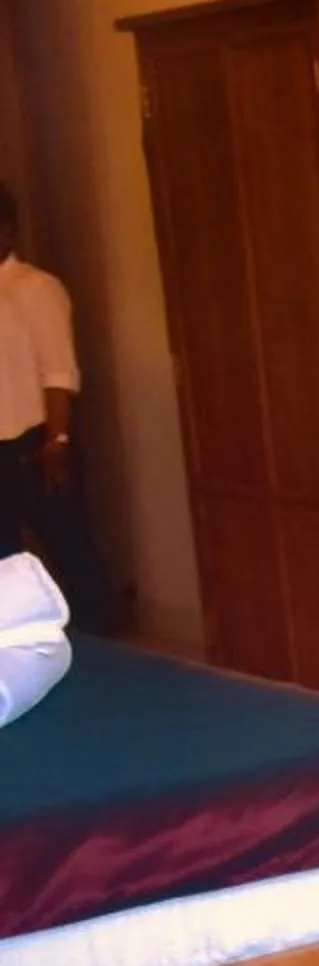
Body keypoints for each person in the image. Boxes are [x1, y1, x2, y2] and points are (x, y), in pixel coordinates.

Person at [0, 184, 113, 635]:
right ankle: (20, 656)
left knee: (71, 552)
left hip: (35, 446)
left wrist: (58, 441)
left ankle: (105, 651)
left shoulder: (35, 287)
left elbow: (58, 371)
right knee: (6, 567)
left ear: (6, 230)